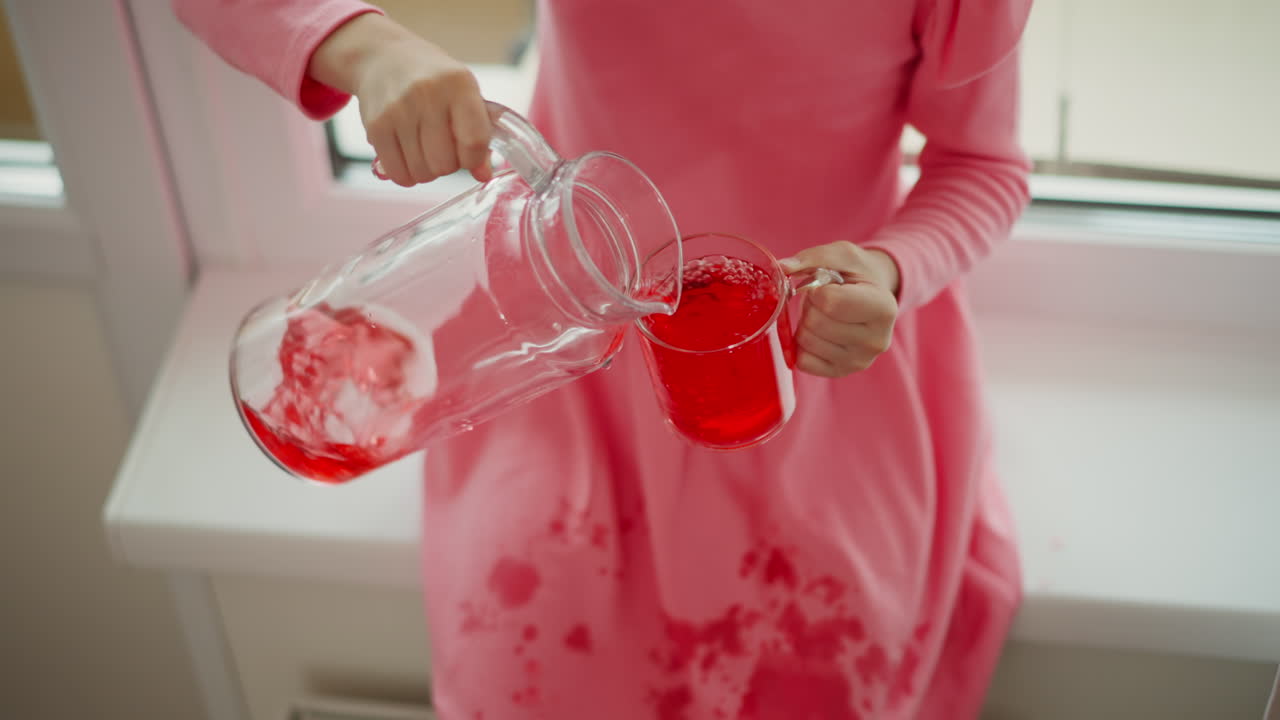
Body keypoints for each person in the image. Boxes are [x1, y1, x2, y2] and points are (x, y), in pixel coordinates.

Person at [175, 1, 1033, 717]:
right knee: (529, 643)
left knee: (825, 651)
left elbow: (984, 165)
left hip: (808, 360)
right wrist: (367, 46)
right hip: (560, 337)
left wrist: (889, 271)